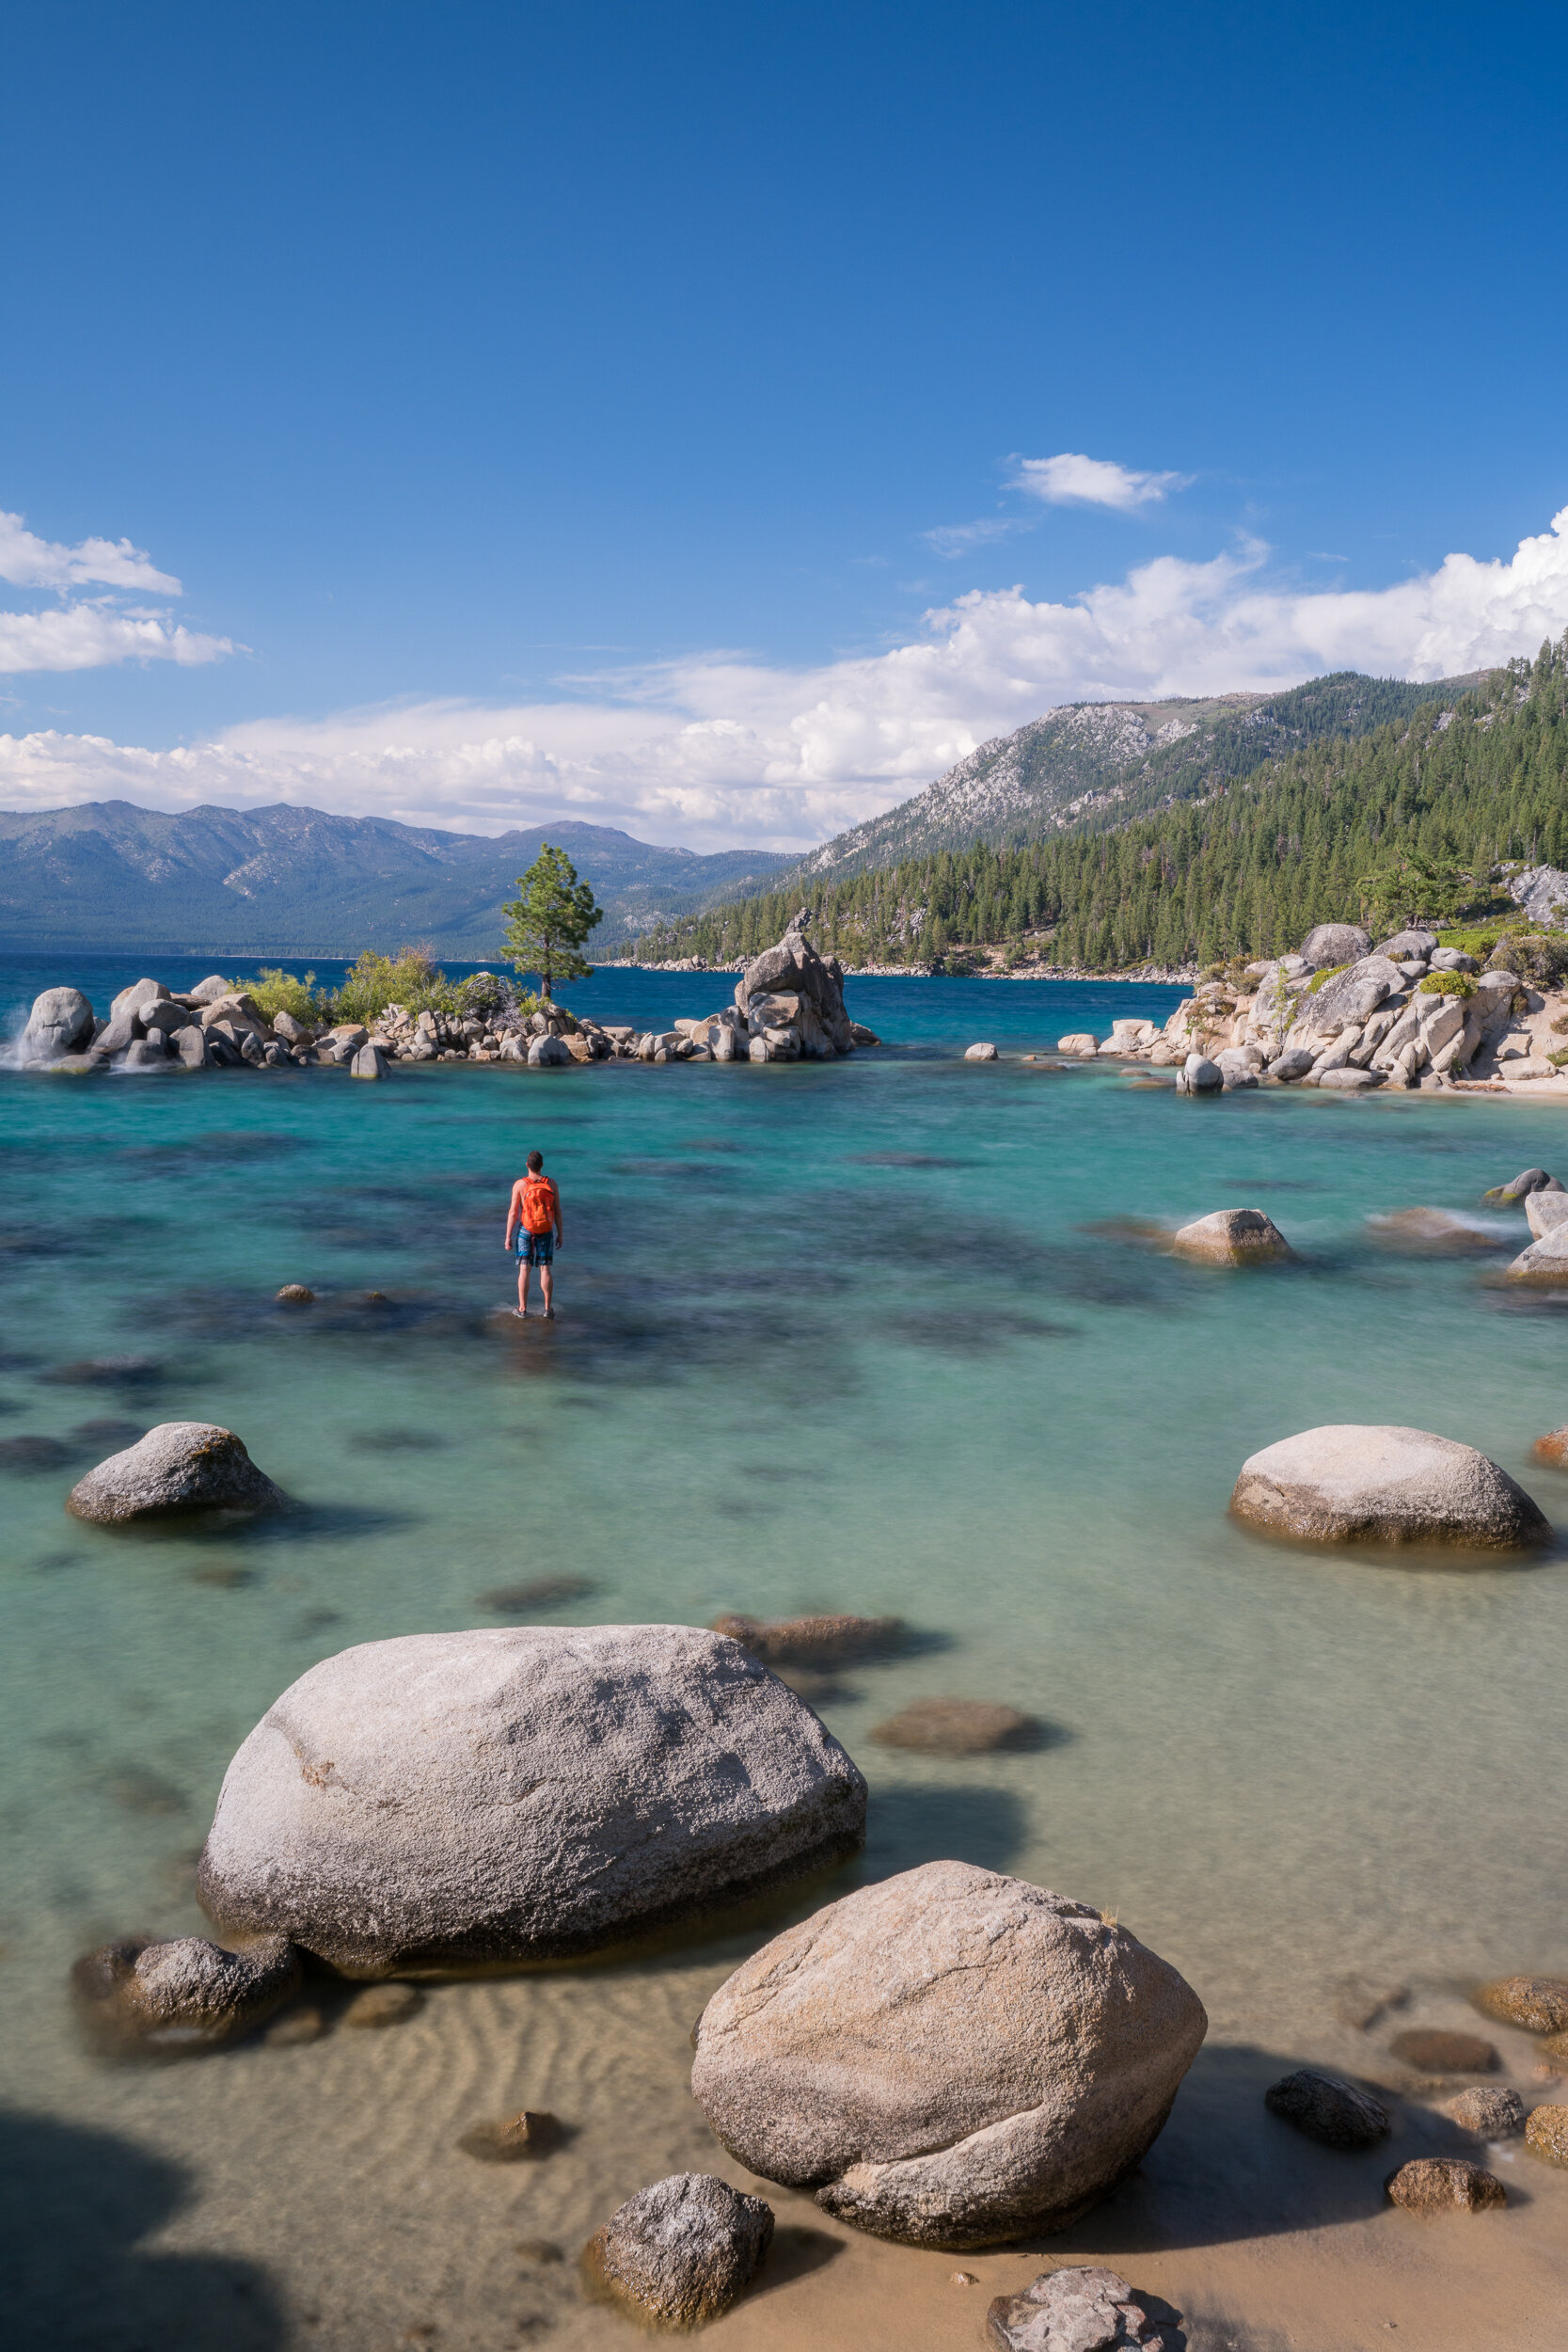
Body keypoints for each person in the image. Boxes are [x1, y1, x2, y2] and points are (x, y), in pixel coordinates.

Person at [505, 1150, 563, 1318]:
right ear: (542, 1165)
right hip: (545, 1230)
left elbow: (513, 1213)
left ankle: (522, 1309)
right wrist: (560, 1234)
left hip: (526, 1230)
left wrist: (508, 1236)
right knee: (545, 1269)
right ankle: (547, 1309)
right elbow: (557, 1211)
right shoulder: (551, 1184)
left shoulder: (520, 1185)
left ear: (527, 1165)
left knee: (524, 1270)